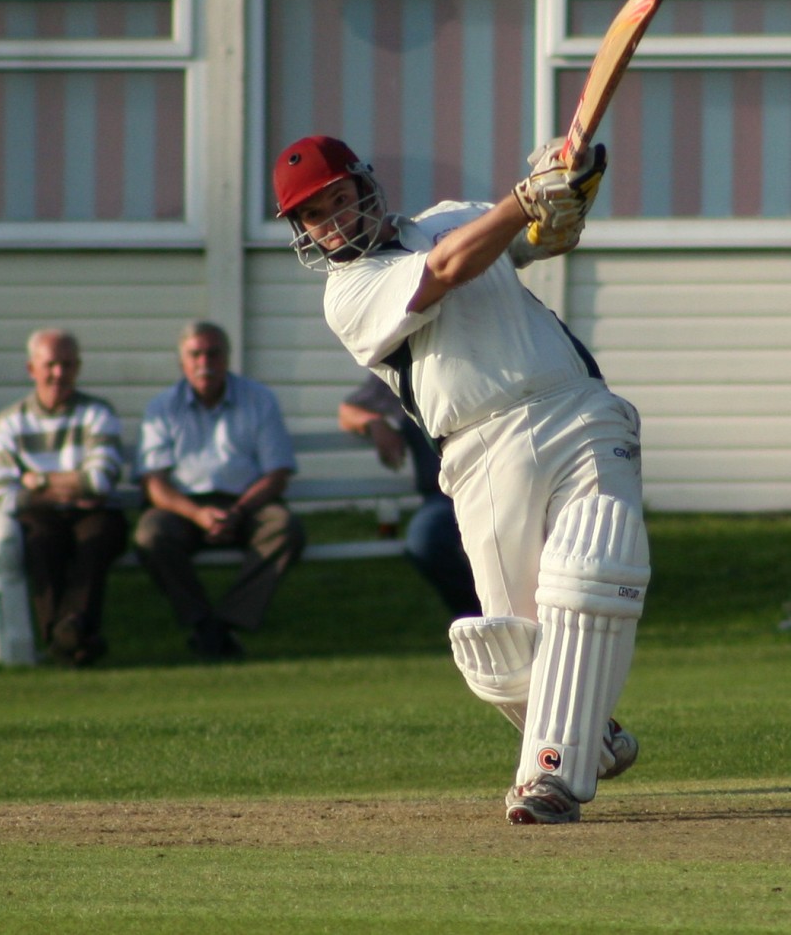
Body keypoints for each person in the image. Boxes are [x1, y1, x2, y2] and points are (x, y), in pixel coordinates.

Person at [272, 134, 645, 824]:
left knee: (591, 571)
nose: (332, 222)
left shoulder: (452, 215)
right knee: (506, 645)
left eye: (339, 200)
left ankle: (549, 780)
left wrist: (570, 183)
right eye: (313, 216)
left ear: (365, 186)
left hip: (575, 407)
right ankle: (591, 735)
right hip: (480, 450)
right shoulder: (348, 292)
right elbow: (446, 268)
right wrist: (523, 199)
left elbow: (543, 236)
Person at [133, 321, 305, 661]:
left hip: (247, 504)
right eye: (195, 355)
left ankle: (223, 624)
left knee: (284, 528)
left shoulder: (259, 399)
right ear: (181, 361)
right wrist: (198, 514)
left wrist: (237, 512)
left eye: (213, 354)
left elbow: (277, 474)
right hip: (184, 508)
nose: (204, 363)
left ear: (227, 357)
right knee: (150, 535)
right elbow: (154, 483)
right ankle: (201, 621)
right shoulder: (162, 407)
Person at [0, 329, 127, 666]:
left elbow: (100, 480)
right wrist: (70, 487)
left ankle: (63, 639)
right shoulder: (10, 422)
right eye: (50, 365)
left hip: (93, 513)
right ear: (31, 369)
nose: (59, 373)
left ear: (78, 367)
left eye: (68, 364)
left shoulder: (97, 413)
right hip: (42, 515)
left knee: (98, 538)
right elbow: (4, 494)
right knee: (41, 543)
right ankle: (76, 636)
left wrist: (38, 481)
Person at [338, 373, 480, 618]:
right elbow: (348, 411)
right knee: (424, 541)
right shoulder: (407, 367)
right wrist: (374, 423)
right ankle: (476, 618)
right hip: (444, 499)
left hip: (497, 487)